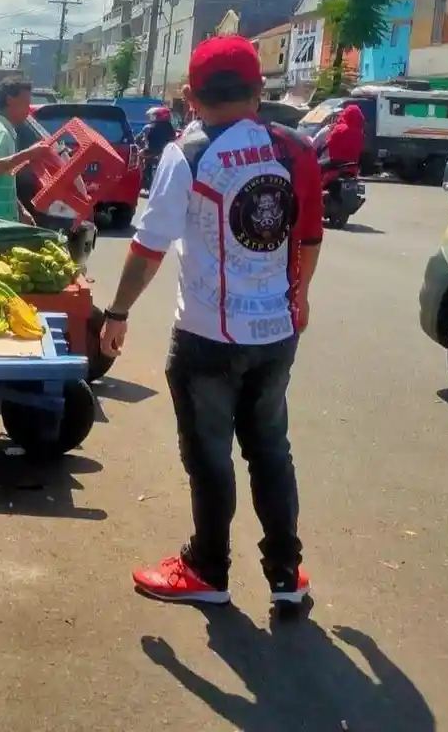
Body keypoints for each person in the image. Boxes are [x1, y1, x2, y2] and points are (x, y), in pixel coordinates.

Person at [99, 35, 323, 609]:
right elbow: (308, 236)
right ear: (258, 90)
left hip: (207, 337)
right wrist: (299, 297)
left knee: (208, 454)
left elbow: (148, 247)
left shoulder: (189, 153)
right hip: (275, 333)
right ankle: (286, 575)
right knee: (270, 449)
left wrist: (118, 312)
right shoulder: (295, 149)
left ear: (191, 96)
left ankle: (207, 569)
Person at [0, 76, 51, 224]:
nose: (28, 109)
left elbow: (3, 180)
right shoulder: (0, 132)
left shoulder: (6, 130)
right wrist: (29, 154)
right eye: (25, 103)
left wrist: (21, 211)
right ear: (10, 100)